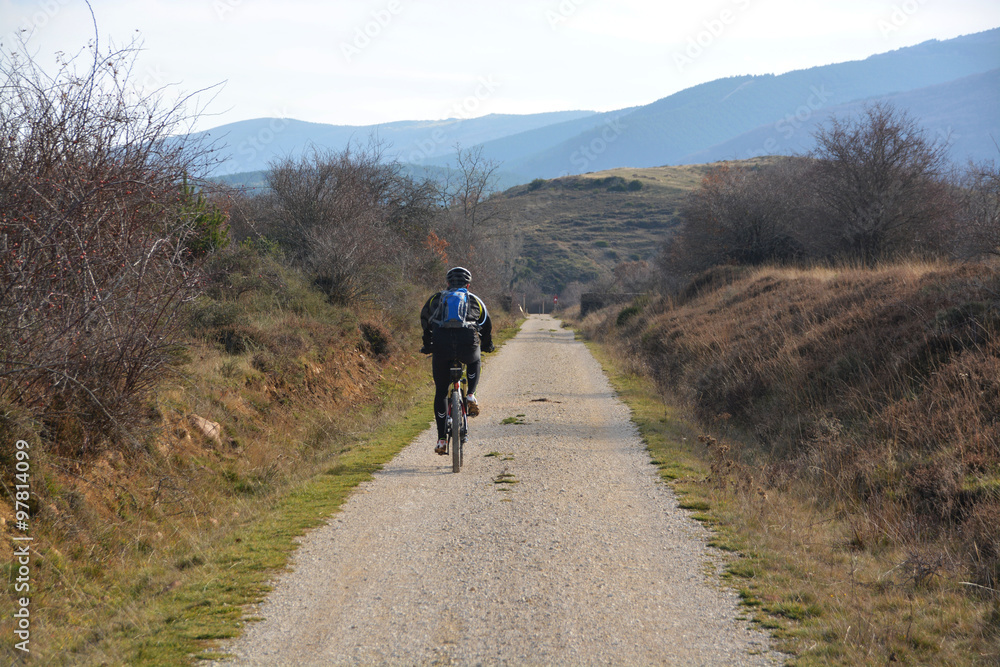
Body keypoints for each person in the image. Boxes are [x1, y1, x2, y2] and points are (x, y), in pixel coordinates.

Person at [420, 266, 494, 455]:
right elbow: (486, 324)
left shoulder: (436, 299)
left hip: (442, 345)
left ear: (448, 283)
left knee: (441, 392)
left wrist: (428, 344)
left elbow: (425, 320)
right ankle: (470, 395)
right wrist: (487, 345)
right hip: (467, 343)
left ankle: (441, 439)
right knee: (475, 360)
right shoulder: (474, 300)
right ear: (468, 285)